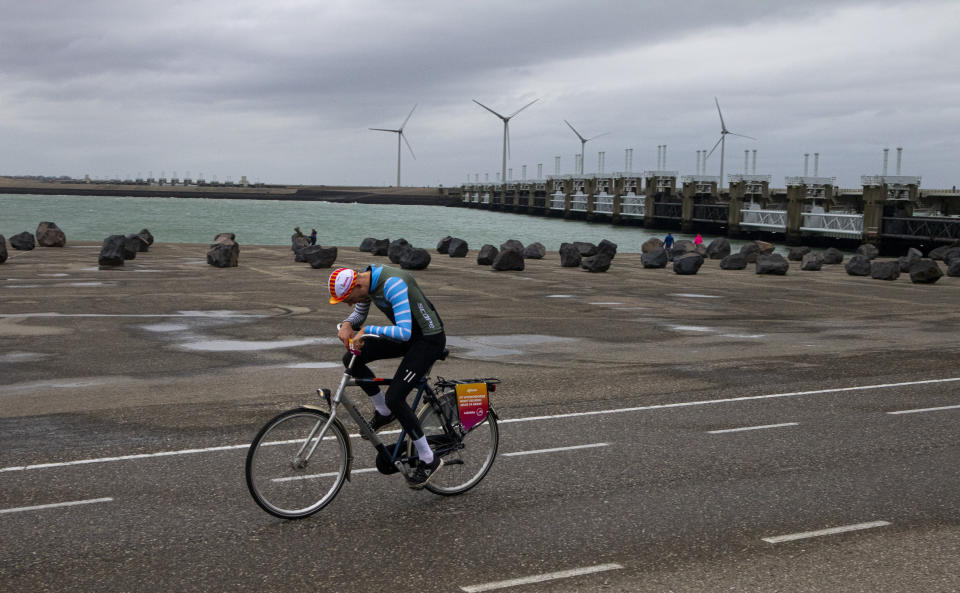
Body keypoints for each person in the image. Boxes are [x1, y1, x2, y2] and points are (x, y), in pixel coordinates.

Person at [329, 265, 446, 489]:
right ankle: (384, 411)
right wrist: (347, 324)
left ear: (357, 285)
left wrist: (365, 330)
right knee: (351, 359)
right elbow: (358, 314)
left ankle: (429, 459)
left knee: (396, 397)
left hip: (428, 340)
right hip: (410, 337)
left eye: (347, 298)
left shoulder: (392, 285)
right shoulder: (365, 283)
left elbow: (403, 332)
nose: (349, 303)